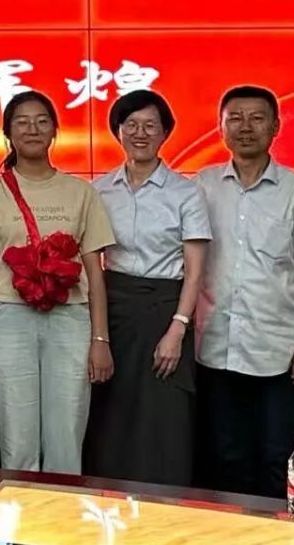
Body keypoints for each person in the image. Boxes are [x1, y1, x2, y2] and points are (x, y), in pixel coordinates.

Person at [0, 90, 114, 474]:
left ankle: (60, 510)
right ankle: (19, 509)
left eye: (42, 121)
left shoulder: (81, 192)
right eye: (22, 122)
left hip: (70, 319)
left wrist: (100, 340)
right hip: (8, 318)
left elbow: (95, 271)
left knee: (67, 432)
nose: (32, 129)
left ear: (54, 131)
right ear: (8, 133)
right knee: (16, 436)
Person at [196, 85, 294, 499]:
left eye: (257, 118)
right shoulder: (201, 186)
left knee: (280, 458)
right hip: (216, 348)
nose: (246, 127)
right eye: (235, 118)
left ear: (276, 126)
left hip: (278, 351)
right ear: (220, 127)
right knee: (226, 458)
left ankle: (281, 535)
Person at [87, 90, 211, 488]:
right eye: (131, 125)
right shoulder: (99, 190)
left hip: (166, 312)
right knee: (112, 416)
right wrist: (99, 335)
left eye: (150, 126)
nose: (140, 133)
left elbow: (195, 271)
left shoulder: (185, 192)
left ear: (165, 133)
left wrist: (178, 328)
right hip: (115, 311)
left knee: (164, 420)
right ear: (118, 132)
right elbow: (92, 262)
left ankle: (165, 508)